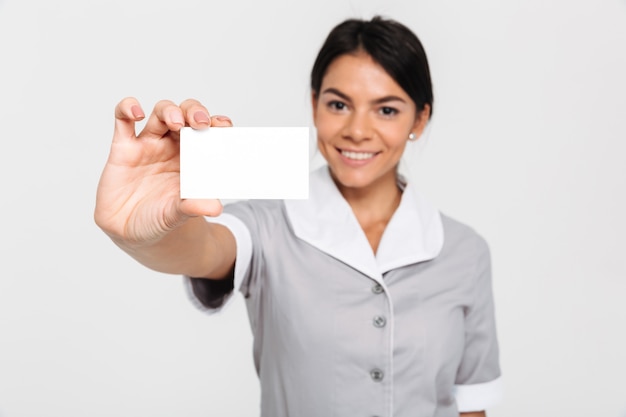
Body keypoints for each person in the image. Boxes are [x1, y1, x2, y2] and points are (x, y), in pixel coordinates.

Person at [95, 16, 502, 417]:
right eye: (339, 104)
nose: (357, 130)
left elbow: (470, 408)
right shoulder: (267, 225)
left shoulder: (465, 253)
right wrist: (143, 230)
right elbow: (202, 248)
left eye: (387, 110)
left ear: (420, 119)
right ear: (314, 104)